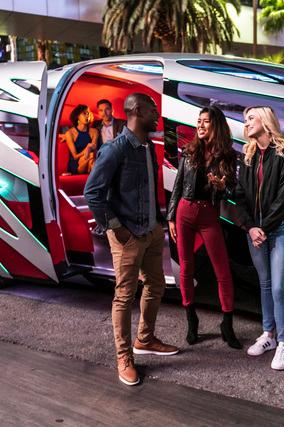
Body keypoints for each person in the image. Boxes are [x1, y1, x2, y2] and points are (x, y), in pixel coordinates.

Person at [84, 93, 178, 387]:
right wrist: (117, 227)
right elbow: (92, 193)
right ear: (137, 110)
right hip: (127, 235)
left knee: (156, 285)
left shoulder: (147, 147)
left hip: (150, 230)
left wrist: (158, 223)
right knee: (125, 295)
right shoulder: (115, 149)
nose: (157, 115)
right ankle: (124, 357)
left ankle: (145, 339)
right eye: (153, 109)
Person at [167, 106, 241, 349]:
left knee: (223, 271)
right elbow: (178, 186)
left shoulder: (227, 155)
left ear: (215, 125)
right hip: (184, 212)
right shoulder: (189, 152)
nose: (200, 125)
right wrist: (170, 217)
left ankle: (227, 324)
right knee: (186, 268)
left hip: (209, 214)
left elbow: (233, 191)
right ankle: (192, 320)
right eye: (198, 121)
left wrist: (221, 187)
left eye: (205, 121)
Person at [233, 106, 284, 371]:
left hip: (278, 229)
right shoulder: (247, 156)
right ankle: (268, 334)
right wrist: (251, 227)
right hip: (255, 232)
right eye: (245, 119)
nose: (246, 123)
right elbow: (239, 197)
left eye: (251, 118)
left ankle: (283, 342)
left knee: (278, 288)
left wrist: (262, 227)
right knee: (264, 284)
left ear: (266, 120)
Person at [65, 104, 98, 174]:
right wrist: (87, 149)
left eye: (88, 113)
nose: (87, 116)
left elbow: (94, 147)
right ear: (77, 116)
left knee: (92, 156)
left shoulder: (94, 131)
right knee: (91, 155)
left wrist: (89, 149)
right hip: (76, 164)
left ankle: (94, 176)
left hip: (91, 160)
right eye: (84, 114)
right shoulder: (70, 133)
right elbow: (75, 157)